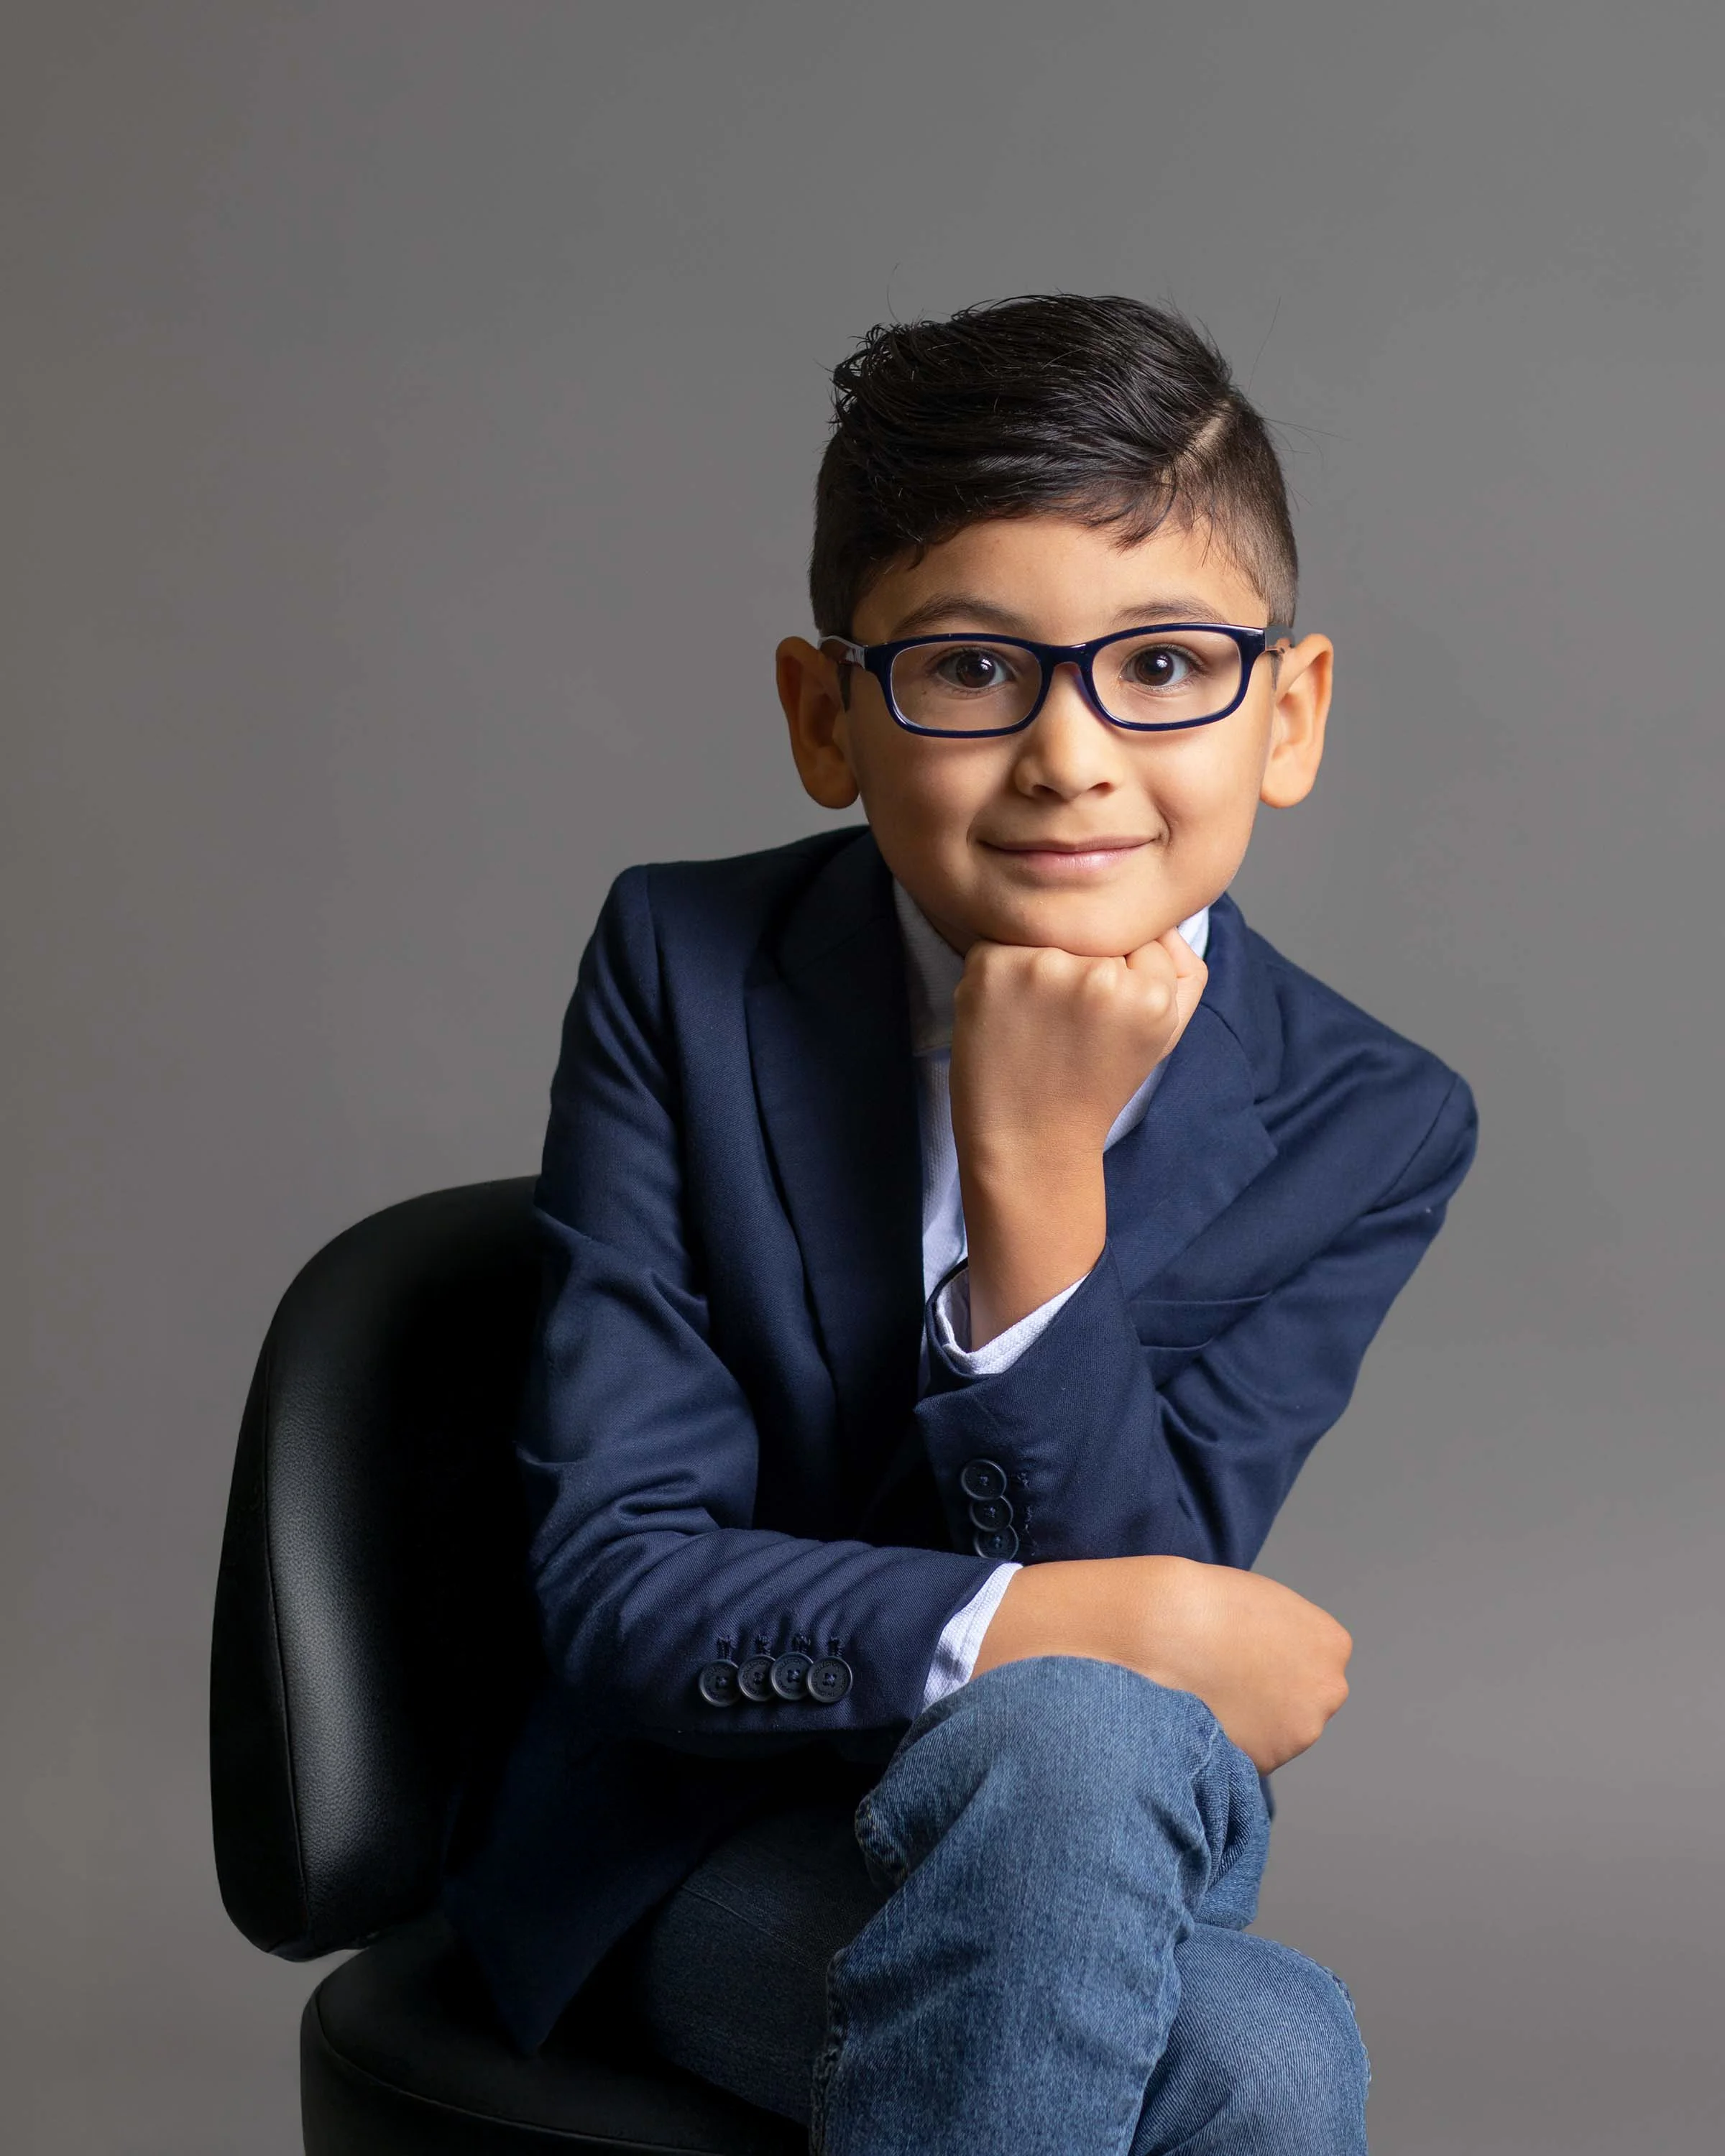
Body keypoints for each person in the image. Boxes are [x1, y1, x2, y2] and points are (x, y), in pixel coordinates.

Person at [442, 293, 1478, 2154]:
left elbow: (1138, 1673)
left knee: (1113, 1801)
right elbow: (625, 1584)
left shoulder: (1369, 1118)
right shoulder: (688, 975)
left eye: (1164, 666)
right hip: (690, 1840)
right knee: (1258, 2046)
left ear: (1291, 712)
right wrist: (1095, 1621)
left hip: (1082, 1839)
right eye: (975, 670)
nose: (1072, 754)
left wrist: (1033, 1189)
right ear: (825, 717)